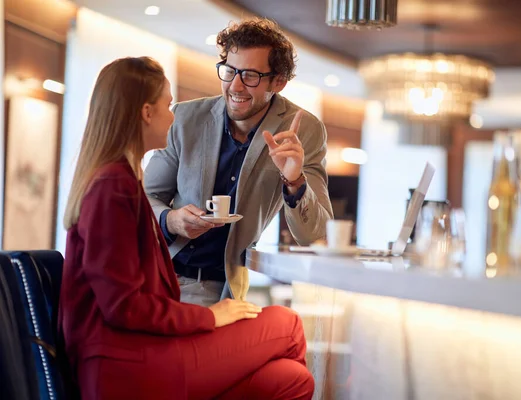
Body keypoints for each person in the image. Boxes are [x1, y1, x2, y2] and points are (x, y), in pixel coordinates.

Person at [59, 56, 314, 399]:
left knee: (293, 379)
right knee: (287, 324)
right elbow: (123, 306)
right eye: (167, 105)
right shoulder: (112, 186)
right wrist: (210, 318)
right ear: (147, 113)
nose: (174, 115)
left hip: (140, 353)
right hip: (124, 365)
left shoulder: (120, 179)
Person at [144, 18, 333, 305]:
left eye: (251, 76)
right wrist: (170, 219)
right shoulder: (184, 119)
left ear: (278, 81)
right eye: (230, 71)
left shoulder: (304, 130)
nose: (235, 86)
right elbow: (146, 197)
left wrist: (295, 182)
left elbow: (317, 236)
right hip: (159, 275)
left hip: (223, 291)